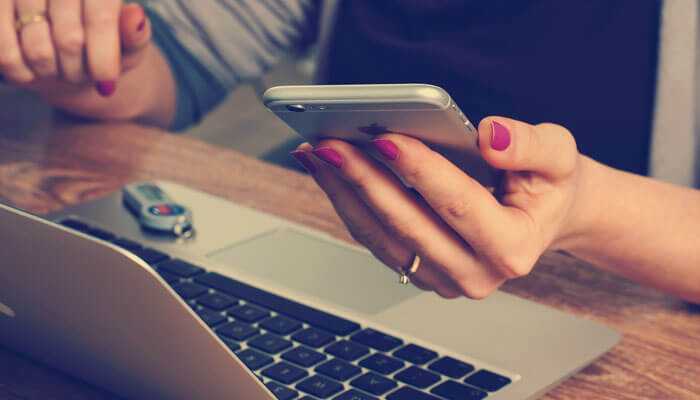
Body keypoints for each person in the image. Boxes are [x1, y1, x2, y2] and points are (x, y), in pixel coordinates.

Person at [1, 0, 698, 303]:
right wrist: (84, 53)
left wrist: (587, 208)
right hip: (336, 261)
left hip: (625, 320)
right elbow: (174, 63)